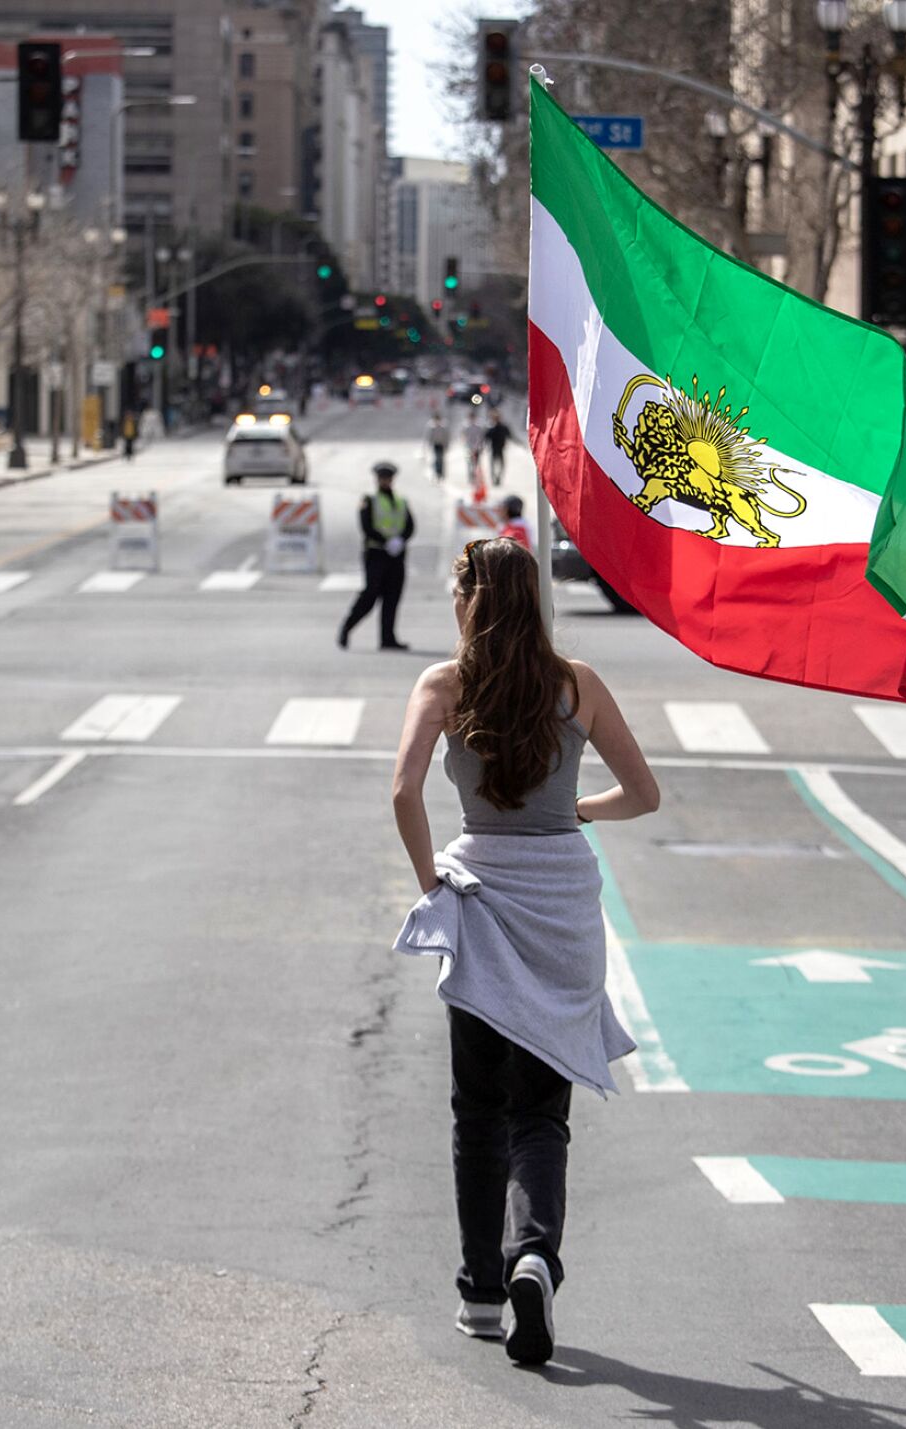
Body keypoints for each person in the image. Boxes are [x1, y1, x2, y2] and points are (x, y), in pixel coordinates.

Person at [388, 537, 660, 1365]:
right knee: (541, 1109)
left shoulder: (443, 685)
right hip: (563, 909)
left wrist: (434, 881)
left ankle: (479, 1289)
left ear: (469, 597)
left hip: (480, 901)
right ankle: (533, 1253)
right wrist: (573, 810)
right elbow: (645, 794)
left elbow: (403, 790)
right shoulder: (576, 684)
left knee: (478, 1110)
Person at [339, 462, 415, 651]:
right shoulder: (369, 499)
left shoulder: (400, 500)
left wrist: (401, 540)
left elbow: (410, 524)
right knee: (370, 595)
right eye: (382, 478)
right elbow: (366, 527)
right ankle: (347, 627)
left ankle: (387, 638)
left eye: (388, 478)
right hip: (376, 554)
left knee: (392, 597)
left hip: (396, 555)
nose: (386, 481)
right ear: (377, 479)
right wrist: (386, 541)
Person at [486, 411, 512, 486]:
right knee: (494, 465)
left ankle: (498, 478)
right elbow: (486, 437)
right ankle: (495, 479)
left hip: (500, 449)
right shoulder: (491, 428)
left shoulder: (503, 427)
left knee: (501, 465)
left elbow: (510, 436)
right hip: (494, 449)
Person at [463, 411, 487, 483]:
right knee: (469, 463)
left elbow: (481, 438)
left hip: (477, 449)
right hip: (468, 449)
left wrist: (480, 447)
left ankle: (476, 476)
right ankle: (471, 476)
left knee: (476, 463)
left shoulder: (479, 427)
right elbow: (464, 438)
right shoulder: (466, 427)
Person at [426, 412, 449, 482]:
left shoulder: (443, 427)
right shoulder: (432, 427)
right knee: (436, 459)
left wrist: (446, 444)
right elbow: (429, 436)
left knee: (441, 459)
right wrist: (429, 444)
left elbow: (446, 436)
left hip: (441, 444)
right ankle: (437, 473)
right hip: (435, 444)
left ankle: (441, 473)